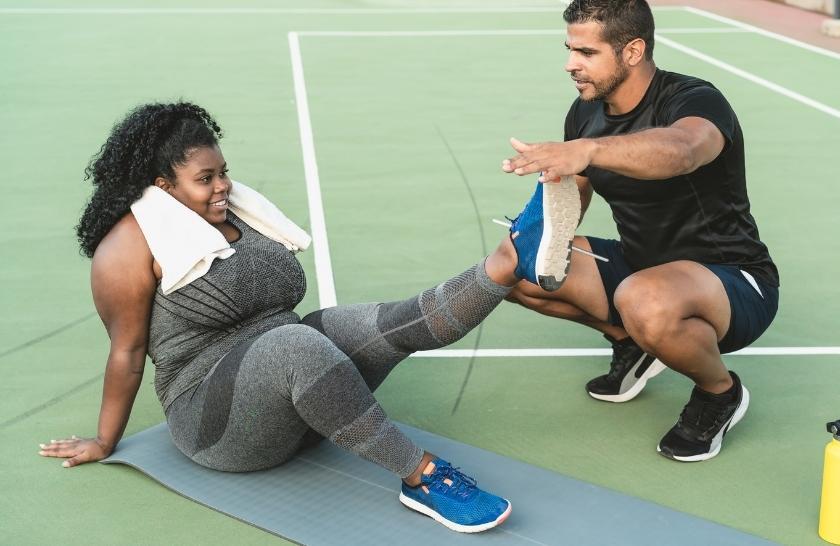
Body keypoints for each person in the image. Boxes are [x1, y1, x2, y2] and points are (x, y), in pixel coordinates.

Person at [36, 101, 553, 533]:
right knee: (298, 344)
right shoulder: (125, 252)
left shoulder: (234, 208)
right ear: (163, 186)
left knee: (360, 325)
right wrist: (105, 441)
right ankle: (422, 477)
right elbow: (126, 355)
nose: (223, 186)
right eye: (205, 179)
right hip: (215, 422)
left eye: (223, 172)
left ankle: (506, 263)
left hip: (294, 390)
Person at [500, 0, 780, 462]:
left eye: (586, 53)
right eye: (570, 49)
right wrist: (536, 236)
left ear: (632, 51)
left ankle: (719, 393)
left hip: (732, 282)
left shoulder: (694, 100)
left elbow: (684, 149)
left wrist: (587, 150)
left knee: (643, 299)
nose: (570, 64)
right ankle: (632, 344)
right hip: (641, 269)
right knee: (517, 266)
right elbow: (574, 197)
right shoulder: (584, 113)